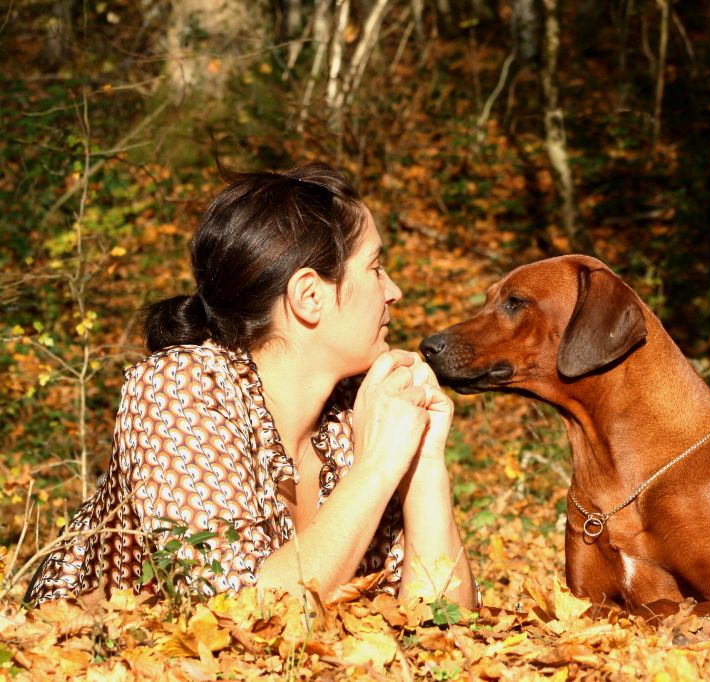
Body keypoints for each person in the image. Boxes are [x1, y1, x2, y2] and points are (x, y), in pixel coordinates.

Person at [26, 163, 477, 609]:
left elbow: (446, 629)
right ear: (309, 296)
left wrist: (424, 462)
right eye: (376, 267)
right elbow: (241, 618)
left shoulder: (356, 410)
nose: (393, 290)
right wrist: (376, 468)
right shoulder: (179, 388)